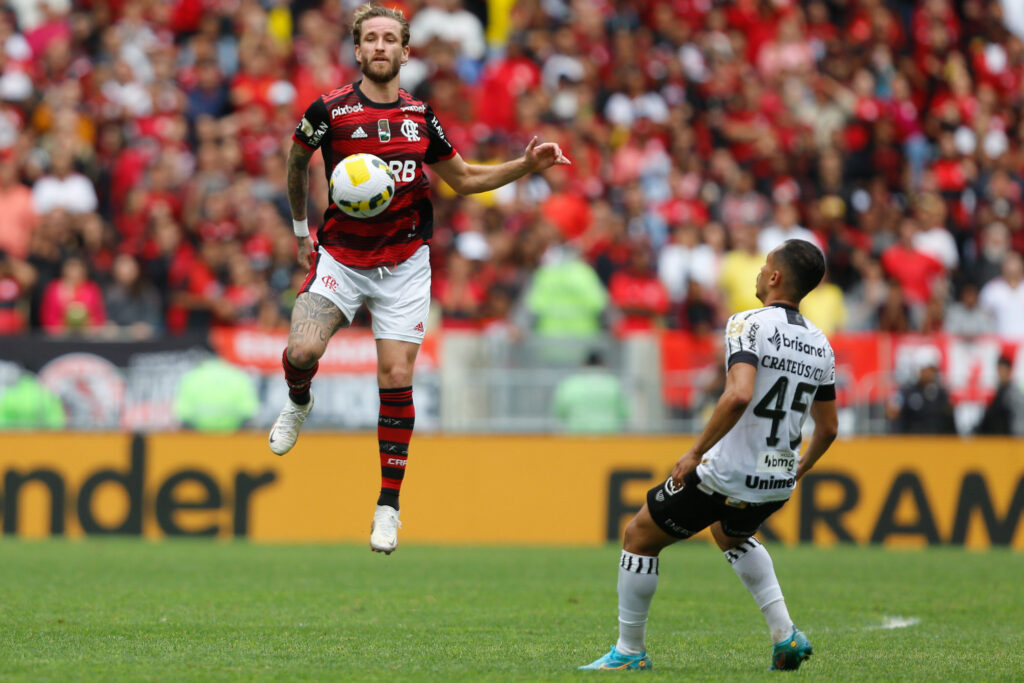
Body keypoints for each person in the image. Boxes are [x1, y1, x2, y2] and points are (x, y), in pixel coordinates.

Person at [268, 3, 569, 555]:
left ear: (406, 51)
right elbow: (295, 160)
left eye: (390, 39)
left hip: (405, 264)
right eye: (371, 39)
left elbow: (465, 179)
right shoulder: (329, 110)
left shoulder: (420, 117)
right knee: (303, 348)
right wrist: (299, 229)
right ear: (357, 50)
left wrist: (525, 166)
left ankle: (387, 506)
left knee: (395, 376)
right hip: (341, 257)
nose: (380, 47)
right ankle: (298, 399)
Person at [580, 239, 838, 672]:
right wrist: (800, 469)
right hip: (775, 479)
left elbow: (738, 394)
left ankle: (628, 652)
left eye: (764, 265)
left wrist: (695, 452)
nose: (758, 271)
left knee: (639, 536)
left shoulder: (747, 323)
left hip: (728, 472)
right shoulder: (821, 344)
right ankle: (785, 635)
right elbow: (829, 427)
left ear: (774, 277)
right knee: (731, 534)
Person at [552, 350, 628, 433]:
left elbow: (560, 411)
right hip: (608, 436)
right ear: (603, 364)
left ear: (583, 364)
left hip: (577, 436)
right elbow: (624, 413)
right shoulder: (614, 384)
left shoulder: (570, 384)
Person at [974, 356, 1024, 436]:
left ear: (1010, 371)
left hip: (1011, 439)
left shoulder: (1014, 393)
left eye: (1003, 370)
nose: (1001, 373)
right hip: (997, 438)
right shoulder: (997, 391)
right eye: (999, 370)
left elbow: (1018, 419)